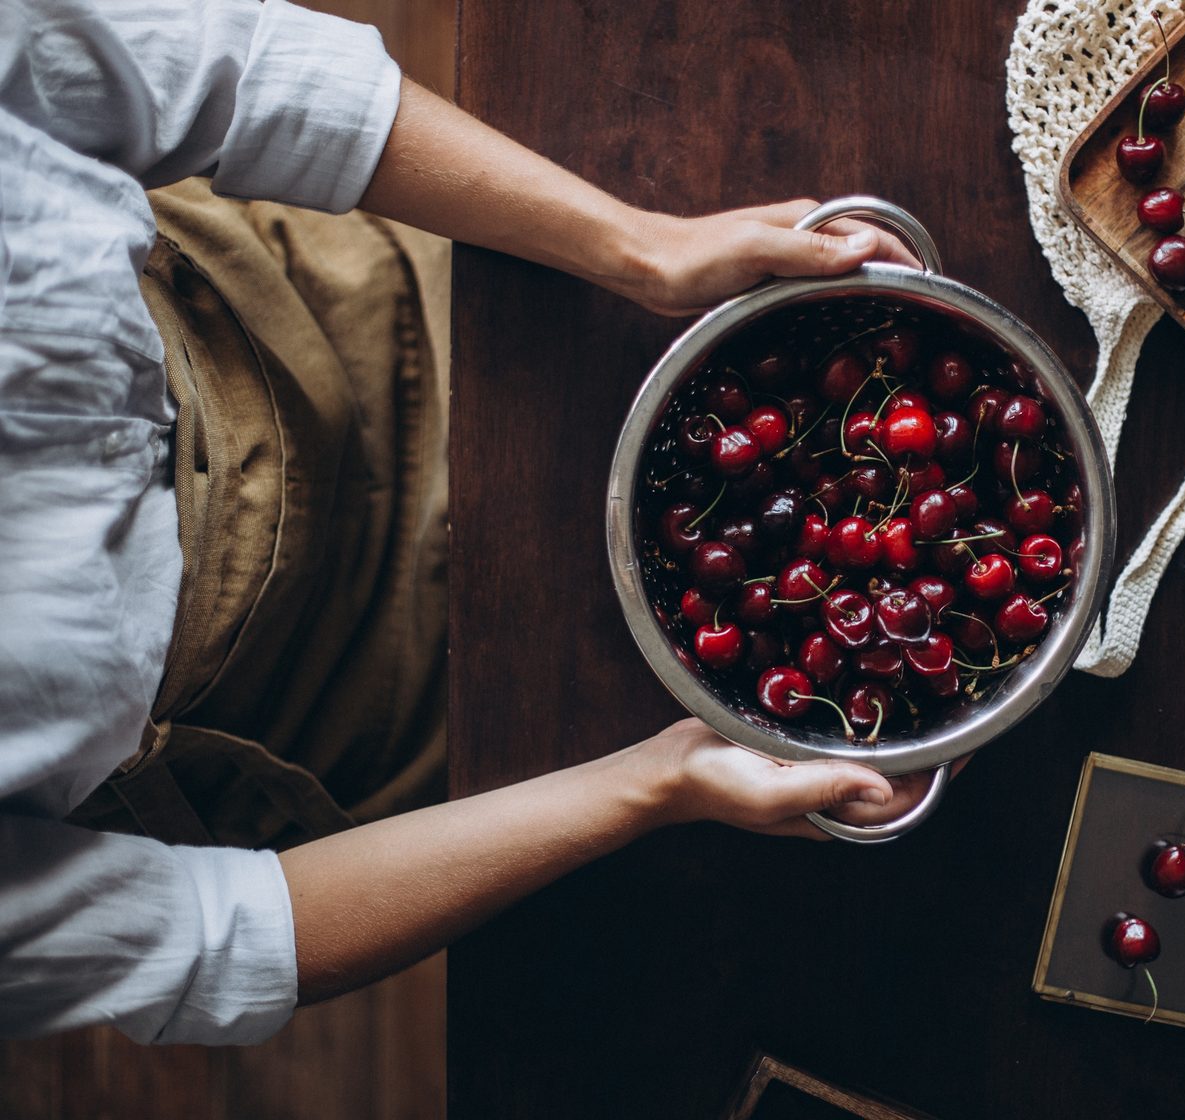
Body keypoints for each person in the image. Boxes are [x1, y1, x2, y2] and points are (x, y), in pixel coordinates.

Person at [0, 0, 928, 1045]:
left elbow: (211, 77)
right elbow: (214, 939)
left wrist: (639, 249)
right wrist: (653, 783)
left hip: (372, 316)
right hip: (345, 692)